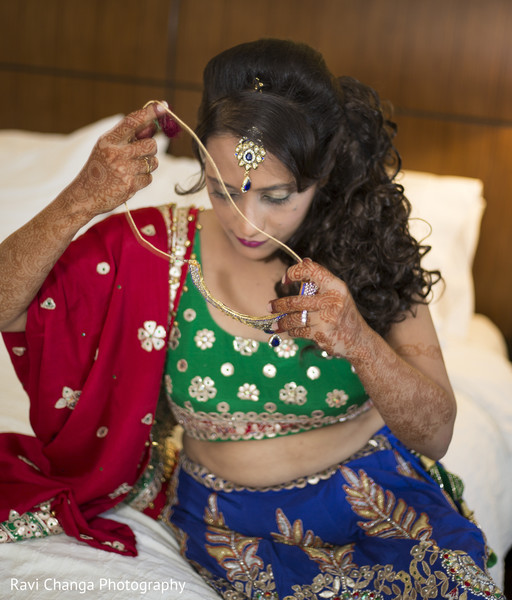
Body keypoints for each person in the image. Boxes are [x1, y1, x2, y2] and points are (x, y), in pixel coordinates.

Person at [0, 38, 503, 599]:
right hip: (226, 521)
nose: (248, 222)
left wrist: (358, 340)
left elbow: (436, 434)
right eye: (223, 190)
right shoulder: (157, 247)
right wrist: (79, 201)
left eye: (278, 196)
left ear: (322, 174)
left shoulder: (372, 246)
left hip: (376, 501)